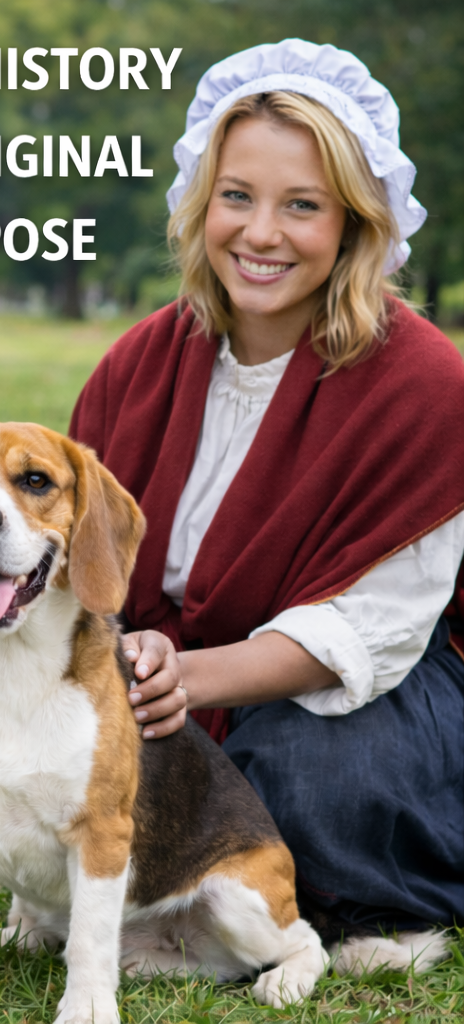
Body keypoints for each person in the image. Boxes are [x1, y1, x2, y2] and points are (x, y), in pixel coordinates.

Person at [71, 39, 464, 941]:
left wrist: (193, 680)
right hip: (161, 670)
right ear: (200, 202)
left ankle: (377, 910)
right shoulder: (142, 360)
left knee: (303, 770)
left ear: (357, 223)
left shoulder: (423, 384)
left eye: (302, 207)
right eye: (237, 196)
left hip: (363, 684)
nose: (259, 233)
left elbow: (378, 623)